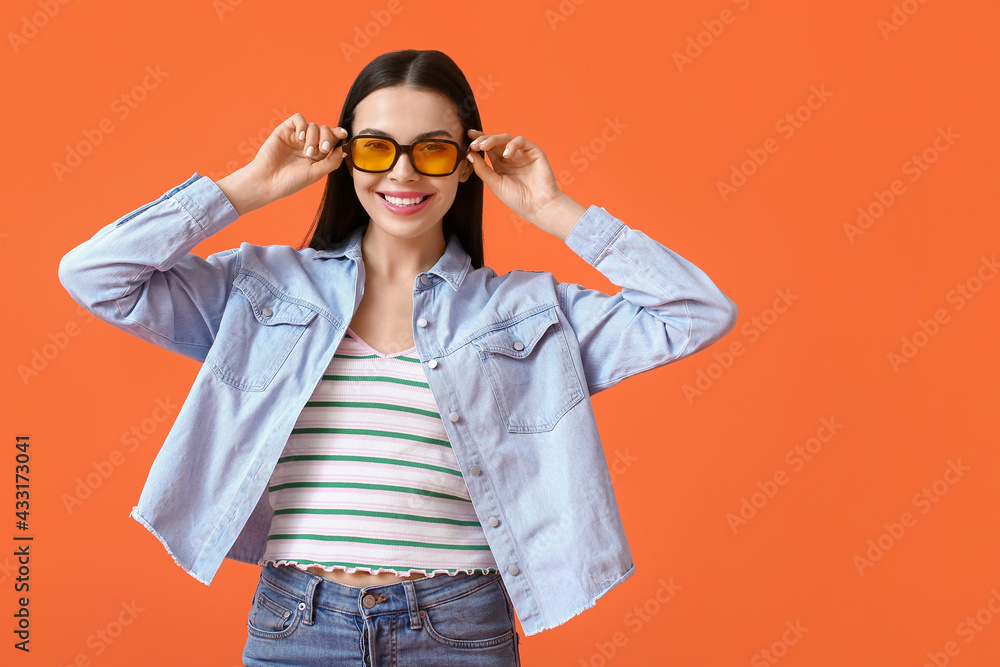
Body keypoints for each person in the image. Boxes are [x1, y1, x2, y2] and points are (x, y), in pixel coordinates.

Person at [58, 49, 738, 665]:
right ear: (347, 156)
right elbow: (95, 275)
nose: (404, 172)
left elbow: (696, 311)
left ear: (467, 164)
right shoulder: (261, 290)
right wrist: (249, 186)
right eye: (377, 149)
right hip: (297, 621)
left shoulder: (527, 313)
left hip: (460, 627)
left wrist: (553, 208)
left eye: (434, 151)